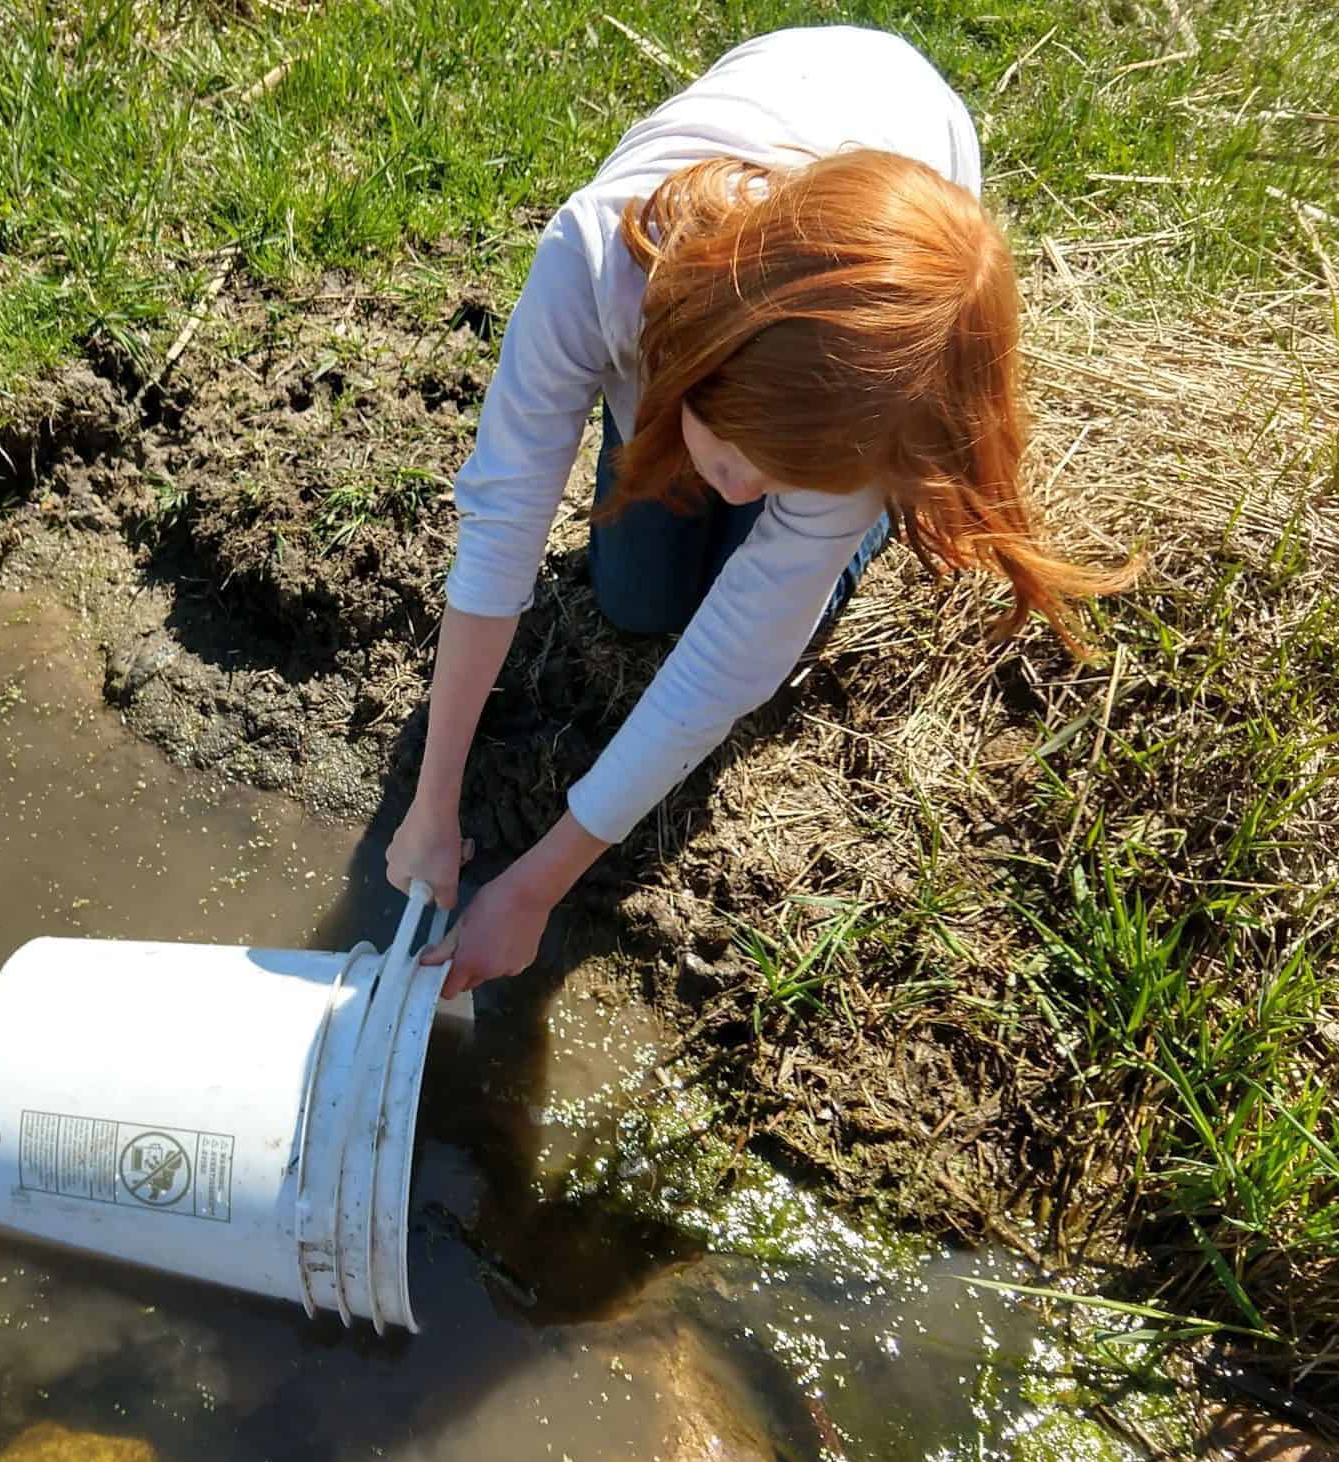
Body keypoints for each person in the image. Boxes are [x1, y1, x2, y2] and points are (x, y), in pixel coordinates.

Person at [385, 25, 1133, 998]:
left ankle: (852, 519)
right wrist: (430, 804)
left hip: (892, 203)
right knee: (639, 601)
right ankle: (745, 458)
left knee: (760, 604)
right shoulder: (590, 261)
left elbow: (725, 665)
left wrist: (535, 885)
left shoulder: (868, 392)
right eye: (737, 452)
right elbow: (502, 522)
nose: (740, 487)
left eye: (782, 476)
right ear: (701, 360)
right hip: (725, 271)